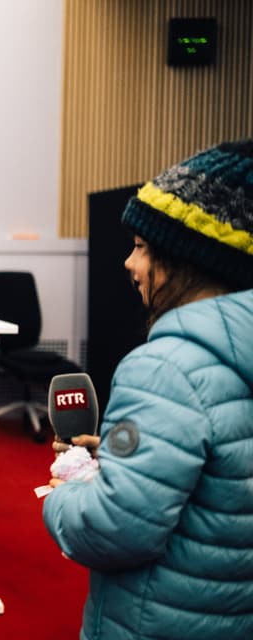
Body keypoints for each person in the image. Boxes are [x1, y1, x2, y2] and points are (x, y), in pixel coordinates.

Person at [42, 139, 253, 640]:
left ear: (187, 257)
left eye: (140, 246)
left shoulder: (163, 369)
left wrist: (65, 491)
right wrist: (121, 462)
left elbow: (109, 529)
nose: (129, 264)